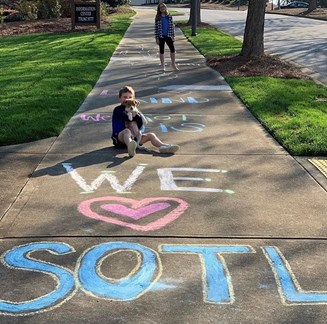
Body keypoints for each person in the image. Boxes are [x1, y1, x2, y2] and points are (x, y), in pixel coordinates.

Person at [111, 86, 180, 157]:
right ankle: (130, 147)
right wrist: (133, 115)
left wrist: (137, 116)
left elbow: (140, 124)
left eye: (130, 97)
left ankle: (164, 147)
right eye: (125, 97)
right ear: (119, 98)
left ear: (133, 99)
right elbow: (124, 118)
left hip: (134, 138)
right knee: (127, 131)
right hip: (120, 139)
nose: (127, 99)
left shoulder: (135, 110)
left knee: (151, 135)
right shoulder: (117, 109)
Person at [155, 2, 179, 72]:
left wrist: (173, 36)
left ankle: (173, 64)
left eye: (163, 7)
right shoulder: (158, 17)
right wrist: (156, 38)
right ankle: (162, 65)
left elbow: (172, 26)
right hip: (161, 36)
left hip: (169, 35)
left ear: (165, 7)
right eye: (161, 7)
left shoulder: (169, 16)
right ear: (159, 9)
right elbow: (156, 28)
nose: (162, 8)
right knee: (161, 50)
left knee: (172, 49)